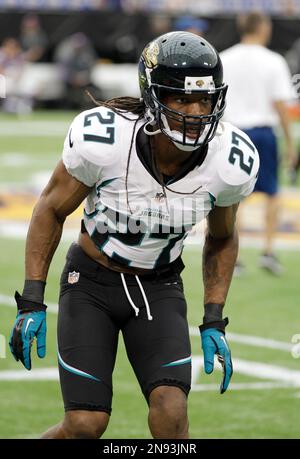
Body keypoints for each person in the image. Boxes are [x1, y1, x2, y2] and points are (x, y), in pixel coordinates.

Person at [9, 31, 259, 439]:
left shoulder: (228, 162)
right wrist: (32, 298)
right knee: (86, 425)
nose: (195, 111)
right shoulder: (106, 140)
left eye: (204, 98)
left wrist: (214, 319)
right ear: (153, 96)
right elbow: (50, 210)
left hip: (159, 287)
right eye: (180, 98)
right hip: (91, 282)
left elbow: (223, 236)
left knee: (172, 411)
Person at [220, 12, 296, 275]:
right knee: (272, 193)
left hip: (232, 132)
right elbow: (280, 104)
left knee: (232, 195)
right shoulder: (273, 61)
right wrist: (290, 144)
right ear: (262, 27)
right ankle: (268, 251)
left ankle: (234, 255)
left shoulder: (225, 58)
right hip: (263, 132)